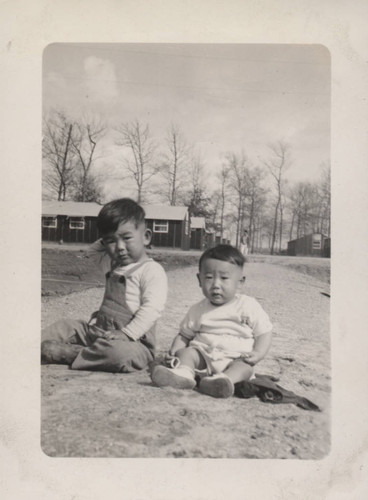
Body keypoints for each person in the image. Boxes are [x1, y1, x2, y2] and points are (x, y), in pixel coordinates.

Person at [41, 198, 168, 373]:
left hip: (134, 341)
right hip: (99, 333)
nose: (120, 247)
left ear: (145, 237)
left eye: (126, 238)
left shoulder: (152, 270)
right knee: (66, 326)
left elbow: (152, 309)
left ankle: (73, 354)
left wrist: (127, 334)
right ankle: (28, 346)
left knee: (120, 355)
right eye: (111, 241)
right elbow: (91, 253)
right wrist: (107, 236)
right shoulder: (113, 263)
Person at [151, 244, 272, 398]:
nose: (216, 284)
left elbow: (264, 332)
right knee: (187, 353)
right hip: (203, 355)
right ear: (199, 279)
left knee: (245, 368)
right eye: (209, 277)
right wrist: (175, 351)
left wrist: (258, 353)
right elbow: (184, 335)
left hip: (235, 358)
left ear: (240, 282)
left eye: (224, 278)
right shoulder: (198, 309)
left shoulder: (248, 306)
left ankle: (223, 381)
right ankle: (184, 374)